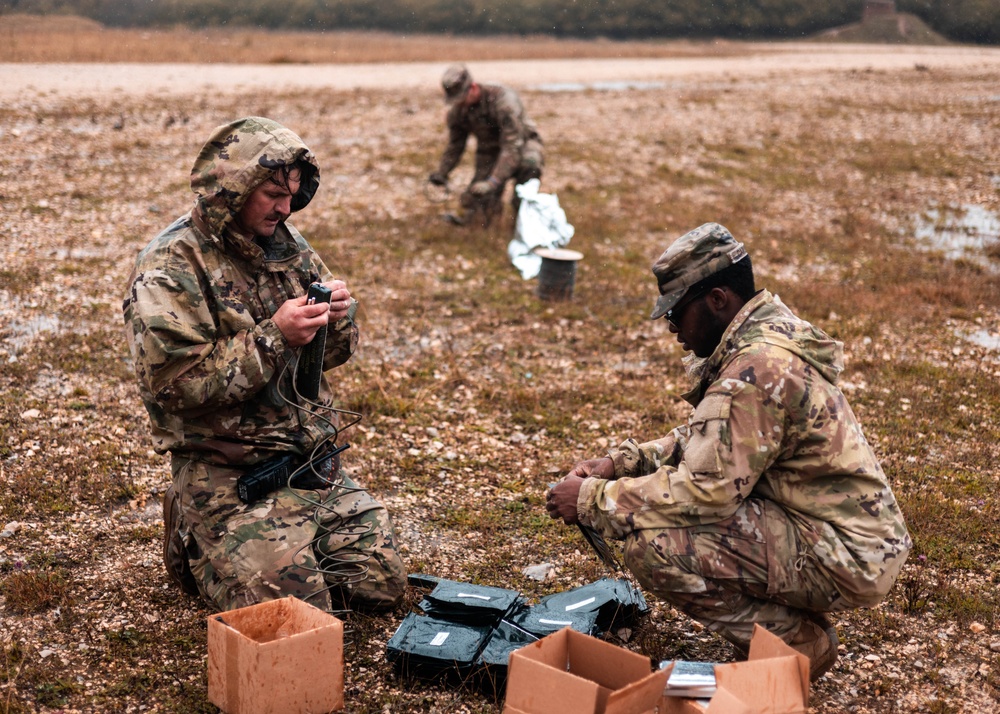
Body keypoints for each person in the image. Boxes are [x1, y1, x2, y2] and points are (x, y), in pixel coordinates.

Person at [546, 223, 911, 680]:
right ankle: (793, 629)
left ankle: (797, 646)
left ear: (717, 300)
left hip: (847, 553)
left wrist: (590, 499)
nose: (675, 331)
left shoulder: (755, 369)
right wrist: (624, 462)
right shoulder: (765, 341)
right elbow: (718, 442)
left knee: (653, 543)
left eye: (678, 315)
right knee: (665, 518)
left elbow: (707, 490)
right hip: (848, 537)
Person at [123, 116, 407, 614]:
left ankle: (290, 546)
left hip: (303, 462)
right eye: (273, 191)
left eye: (294, 191)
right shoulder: (170, 267)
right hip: (228, 473)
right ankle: (194, 536)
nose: (286, 205)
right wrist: (275, 337)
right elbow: (174, 387)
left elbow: (333, 354)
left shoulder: (287, 247)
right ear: (235, 187)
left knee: (382, 585)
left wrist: (336, 318)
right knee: (296, 615)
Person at [428, 63, 544, 229]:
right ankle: (484, 223)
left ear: (473, 88)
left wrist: (493, 181)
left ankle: (524, 222)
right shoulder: (457, 113)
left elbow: (512, 146)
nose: (460, 104)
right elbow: (455, 146)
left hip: (523, 145)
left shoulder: (504, 101)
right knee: (477, 198)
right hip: (489, 151)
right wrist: (442, 172)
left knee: (529, 167)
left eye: (461, 98)